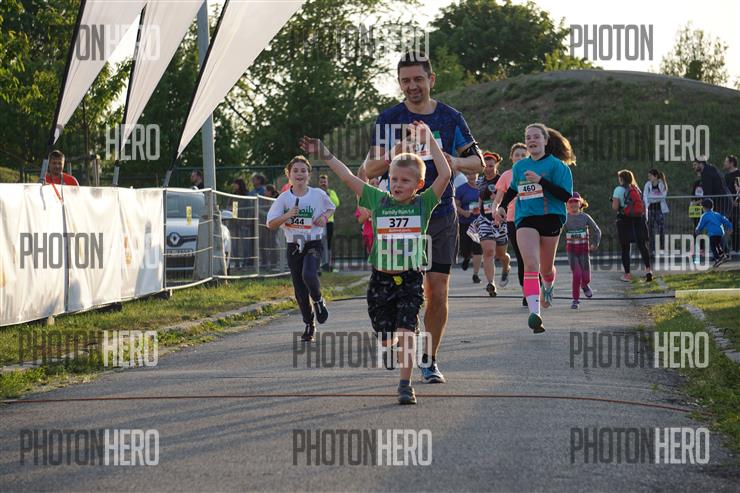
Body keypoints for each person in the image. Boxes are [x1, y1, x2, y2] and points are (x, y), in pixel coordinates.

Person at [300, 120, 450, 405]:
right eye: (394, 179)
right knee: (385, 338)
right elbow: (347, 177)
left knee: (406, 331)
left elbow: (445, 174)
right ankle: (391, 343)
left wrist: (429, 139)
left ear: (418, 185)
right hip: (380, 281)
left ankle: (405, 385)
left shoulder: (423, 204)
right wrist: (325, 153)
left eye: (405, 181)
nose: (398, 185)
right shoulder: (378, 200)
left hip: (410, 279)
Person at [358, 51, 484, 383]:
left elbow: (479, 163)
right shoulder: (389, 119)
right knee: (399, 288)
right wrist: (395, 152)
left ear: (431, 79)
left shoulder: (450, 117)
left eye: (418, 79)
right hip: (400, 221)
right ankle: (400, 334)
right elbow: (369, 168)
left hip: (439, 214)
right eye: (405, 81)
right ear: (399, 83)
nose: (412, 86)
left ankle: (429, 358)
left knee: (437, 290)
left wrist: (452, 161)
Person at [494, 123, 574, 333]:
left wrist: (541, 181)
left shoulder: (558, 166)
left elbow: (565, 196)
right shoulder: (519, 167)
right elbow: (513, 189)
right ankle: (535, 313)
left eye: (536, 137)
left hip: (551, 217)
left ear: (545, 141)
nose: (531, 140)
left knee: (545, 269)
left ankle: (548, 284)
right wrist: (502, 206)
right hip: (526, 218)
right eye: (528, 137)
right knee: (530, 264)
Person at [266, 156, 334, 342]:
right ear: (288, 174)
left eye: (303, 170)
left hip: (313, 243)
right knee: (300, 291)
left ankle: (318, 300)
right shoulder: (284, 198)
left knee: (309, 274)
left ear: (309, 175)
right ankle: (309, 324)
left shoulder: (318, 194)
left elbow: (331, 207)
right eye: (295, 170)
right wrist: (287, 215)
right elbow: (270, 224)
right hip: (294, 246)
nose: (299, 174)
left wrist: (324, 217)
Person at [494, 143, 529, 306]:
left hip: (533, 218)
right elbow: (498, 199)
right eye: (517, 155)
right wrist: (495, 210)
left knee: (534, 258)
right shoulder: (507, 176)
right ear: (512, 158)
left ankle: (539, 286)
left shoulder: (534, 173)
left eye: (523, 155)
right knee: (522, 258)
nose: (520, 158)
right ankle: (527, 293)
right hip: (513, 220)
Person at [471, 152, 510, 296]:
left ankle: (506, 266)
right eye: (486, 166)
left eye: (491, 166)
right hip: (485, 220)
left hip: (500, 220)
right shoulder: (480, 181)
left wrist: (498, 199)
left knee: (501, 255)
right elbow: (480, 197)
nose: (488, 169)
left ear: (496, 166)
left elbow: (510, 197)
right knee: (488, 252)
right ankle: (491, 283)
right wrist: (478, 206)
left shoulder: (502, 179)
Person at [612, 169, 653, 283]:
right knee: (642, 245)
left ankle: (627, 274)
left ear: (621, 179)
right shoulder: (636, 189)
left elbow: (615, 207)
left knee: (625, 248)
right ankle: (648, 270)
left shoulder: (618, 190)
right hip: (638, 220)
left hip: (624, 220)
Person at [563, 193, 601, 309]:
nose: (573, 204)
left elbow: (597, 230)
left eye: (576, 201)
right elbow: (556, 231)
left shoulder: (585, 217)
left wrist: (595, 243)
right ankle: (575, 300)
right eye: (570, 202)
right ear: (567, 205)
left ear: (580, 203)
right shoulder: (565, 218)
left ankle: (584, 285)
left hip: (584, 251)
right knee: (577, 274)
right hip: (572, 251)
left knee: (586, 278)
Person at [455, 171, 482, 283]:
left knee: (478, 249)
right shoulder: (461, 189)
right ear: (466, 176)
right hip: (465, 222)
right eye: (469, 174)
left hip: (479, 223)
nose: (472, 176)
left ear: (477, 174)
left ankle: (476, 274)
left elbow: (490, 201)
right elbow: (455, 205)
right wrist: (463, 212)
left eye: (474, 174)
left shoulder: (482, 187)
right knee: (465, 248)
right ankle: (466, 257)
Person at [695, 198, 733, 267]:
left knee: (713, 246)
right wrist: (730, 227)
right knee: (717, 244)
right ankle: (723, 256)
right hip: (720, 232)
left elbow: (701, 225)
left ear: (704, 208)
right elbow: (726, 221)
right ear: (713, 206)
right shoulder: (717, 214)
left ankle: (718, 259)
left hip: (713, 233)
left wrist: (697, 230)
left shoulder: (704, 215)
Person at [643, 169, 669, 253]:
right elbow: (645, 196)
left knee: (661, 229)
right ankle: (652, 249)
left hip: (660, 210)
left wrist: (652, 198)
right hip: (650, 209)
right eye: (648, 176)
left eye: (650, 176)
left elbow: (663, 197)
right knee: (650, 229)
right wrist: (652, 199)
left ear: (656, 176)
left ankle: (662, 248)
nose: (649, 177)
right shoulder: (647, 185)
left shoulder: (662, 184)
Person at [318, 174, 341, 271]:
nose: (323, 183)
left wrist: (327, 196)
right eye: (321, 182)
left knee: (328, 243)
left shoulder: (331, 192)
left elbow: (336, 203)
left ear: (327, 183)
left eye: (325, 182)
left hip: (329, 222)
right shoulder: (317, 192)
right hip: (318, 222)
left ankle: (327, 263)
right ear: (319, 183)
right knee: (318, 242)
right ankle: (319, 263)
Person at [355, 177, 379, 256]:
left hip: (382, 235)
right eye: (372, 183)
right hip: (369, 234)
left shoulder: (385, 199)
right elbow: (360, 220)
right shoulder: (364, 201)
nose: (375, 185)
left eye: (377, 184)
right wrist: (366, 213)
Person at [722, 155, 740, 253]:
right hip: (727, 205)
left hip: (736, 205)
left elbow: (739, 189)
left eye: (726, 161)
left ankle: (736, 248)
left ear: (732, 163)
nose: (724, 163)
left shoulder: (738, 174)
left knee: (735, 225)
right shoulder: (726, 176)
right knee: (728, 226)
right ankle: (730, 248)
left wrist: (737, 201)